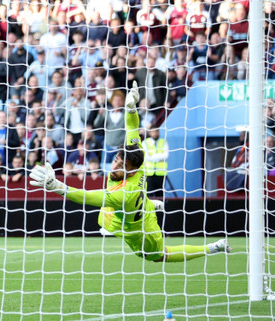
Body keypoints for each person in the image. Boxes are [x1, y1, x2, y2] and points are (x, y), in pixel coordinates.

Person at [29, 82, 230, 263]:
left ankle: (212, 248)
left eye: (121, 166)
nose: (115, 166)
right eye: (117, 160)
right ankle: (149, 205)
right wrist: (130, 108)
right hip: (124, 211)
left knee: (160, 256)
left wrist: (57, 186)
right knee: (105, 216)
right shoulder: (136, 154)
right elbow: (132, 126)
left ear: (132, 170)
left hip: (140, 230)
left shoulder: (123, 193)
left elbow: (86, 196)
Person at [141, 126, 168, 198]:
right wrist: (159, 156)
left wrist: (152, 156)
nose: (155, 133)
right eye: (153, 131)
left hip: (160, 172)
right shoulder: (145, 143)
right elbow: (146, 157)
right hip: (149, 173)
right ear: (149, 132)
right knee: (148, 194)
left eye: (157, 131)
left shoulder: (163, 142)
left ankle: (160, 209)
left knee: (160, 194)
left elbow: (165, 156)